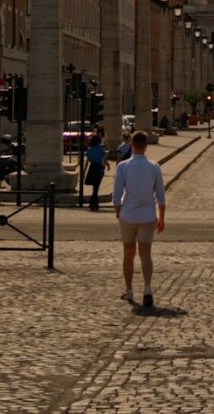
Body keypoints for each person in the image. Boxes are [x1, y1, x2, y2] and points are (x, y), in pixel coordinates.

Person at [112, 130, 166, 307]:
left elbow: (117, 192)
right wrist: (161, 218)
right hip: (148, 215)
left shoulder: (123, 167)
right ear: (146, 146)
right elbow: (160, 195)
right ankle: (148, 288)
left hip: (128, 214)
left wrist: (118, 210)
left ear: (132, 145)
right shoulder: (154, 167)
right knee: (145, 254)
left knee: (128, 254)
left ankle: (129, 290)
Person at [85, 133, 108, 211]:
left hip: (92, 167)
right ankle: (93, 203)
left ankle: (94, 203)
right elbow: (104, 160)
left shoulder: (89, 150)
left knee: (95, 186)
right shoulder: (101, 149)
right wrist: (106, 165)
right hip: (99, 168)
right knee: (96, 187)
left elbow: (87, 161)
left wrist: (84, 171)